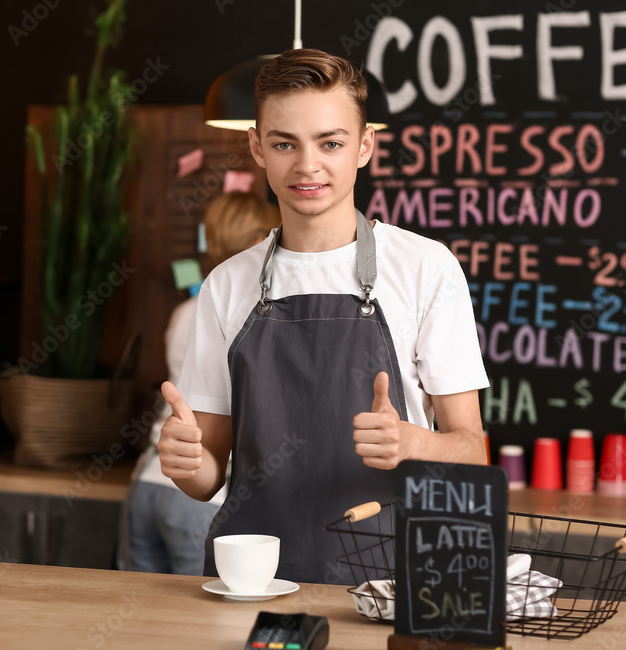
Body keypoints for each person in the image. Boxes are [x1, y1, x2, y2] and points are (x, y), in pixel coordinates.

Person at [157, 49, 489, 585]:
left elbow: (472, 451)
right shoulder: (226, 284)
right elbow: (208, 476)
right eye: (284, 143)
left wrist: (413, 444)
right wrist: (185, 462)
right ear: (256, 147)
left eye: (330, 143)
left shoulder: (427, 267)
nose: (307, 166)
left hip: (392, 580)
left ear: (364, 146)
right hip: (253, 580)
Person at [120, 191, 281, 575]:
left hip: (148, 481)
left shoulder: (183, 311)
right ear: (261, 239)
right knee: (199, 627)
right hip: (200, 492)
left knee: (139, 623)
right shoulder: (251, 314)